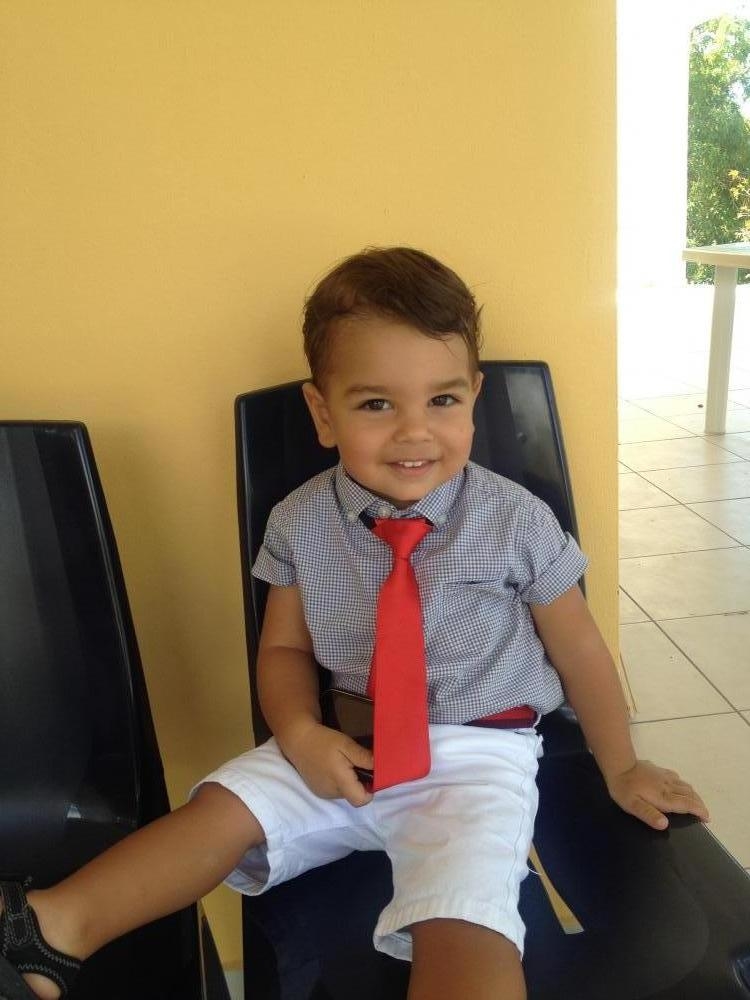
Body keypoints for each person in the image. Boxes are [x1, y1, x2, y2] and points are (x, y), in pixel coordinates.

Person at [0, 247, 709, 1000]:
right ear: (323, 412)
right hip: (344, 750)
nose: (414, 432)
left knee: (467, 912)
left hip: (477, 756)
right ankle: (47, 929)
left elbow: (581, 648)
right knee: (220, 810)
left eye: (442, 400)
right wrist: (300, 734)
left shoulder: (515, 520)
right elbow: (283, 647)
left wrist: (621, 765)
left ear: (474, 397)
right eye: (377, 405)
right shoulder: (299, 520)